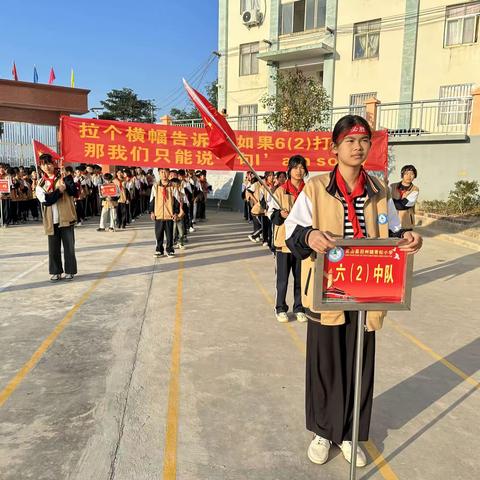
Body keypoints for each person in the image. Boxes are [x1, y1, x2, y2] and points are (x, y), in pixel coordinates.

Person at [285, 115, 423, 468]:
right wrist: (309, 236)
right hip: (327, 292)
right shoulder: (316, 189)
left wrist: (408, 239)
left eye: (364, 140)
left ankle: (349, 434)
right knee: (326, 365)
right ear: (335, 148)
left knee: (360, 363)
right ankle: (323, 431)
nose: (358, 146)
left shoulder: (379, 190)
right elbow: (287, 233)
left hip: (368, 293)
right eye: (350, 140)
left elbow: (395, 232)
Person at [268, 156, 308, 323]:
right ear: (289, 170)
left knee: (301, 278)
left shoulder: (309, 191)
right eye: (295, 167)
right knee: (282, 279)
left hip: (302, 243)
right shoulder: (280, 191)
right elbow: (270, 213)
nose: (299, 171)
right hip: (283, 243)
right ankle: (280, 308)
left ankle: (299, 307)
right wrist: (280, 215)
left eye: (302, 167)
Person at [35, 154, 78, 281]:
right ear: (40, 167)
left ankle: (70, 271)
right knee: (53, 249)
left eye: (49, 163)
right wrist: (59, 191)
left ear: (54, 163)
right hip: (51, 220)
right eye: (43, 164)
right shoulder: (40, 183)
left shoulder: (64, 177)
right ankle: (56, 271)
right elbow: (46, 200)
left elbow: (73, 192)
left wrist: (68, 180)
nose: (47, 166)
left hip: (66, 218)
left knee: (69, 247)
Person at [150, 168, 182, 258]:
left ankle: (170, 250)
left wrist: (176, 213)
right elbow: (152, 200)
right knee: (158, 233)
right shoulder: (155, 186)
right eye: (161, 172)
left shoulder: (172, 186)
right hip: (158, 214)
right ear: (159, 174)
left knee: (169, 234)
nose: (164, 174)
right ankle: (159, 250)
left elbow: (176, 201)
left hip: (169, 214)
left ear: (168, 173)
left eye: (165, 172)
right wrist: (152, 211)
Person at [390, 165, 419, 230]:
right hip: (392, 222)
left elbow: (402, 206)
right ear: (402, 175)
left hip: (406, 222)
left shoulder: (415, 189)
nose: (409, 176)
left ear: (415, 176)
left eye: (411, 174)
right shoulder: (392, 186)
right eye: (406, 174)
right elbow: (385, 200)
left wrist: (392, 201)